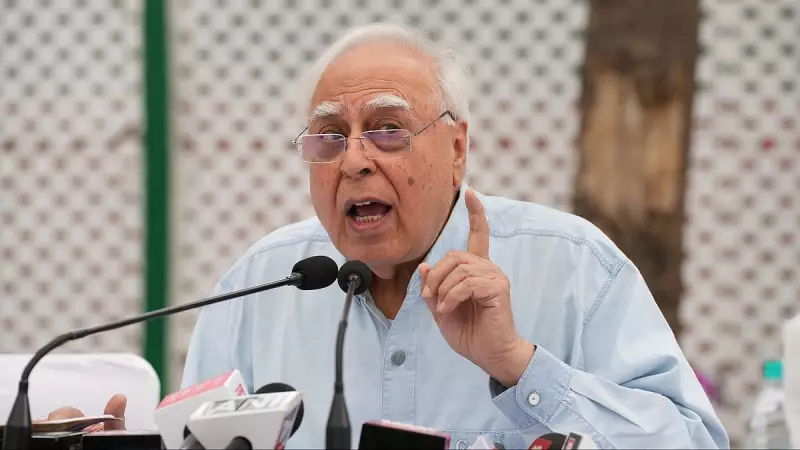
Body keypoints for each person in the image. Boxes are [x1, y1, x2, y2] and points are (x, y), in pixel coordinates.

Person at [45, 23, 729, 449]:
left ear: (457, 148)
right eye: (328, 136)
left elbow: (695, 442)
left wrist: (521, 366)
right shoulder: (260, 286)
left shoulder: (572, 267)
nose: (354, 160)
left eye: (387, 129)